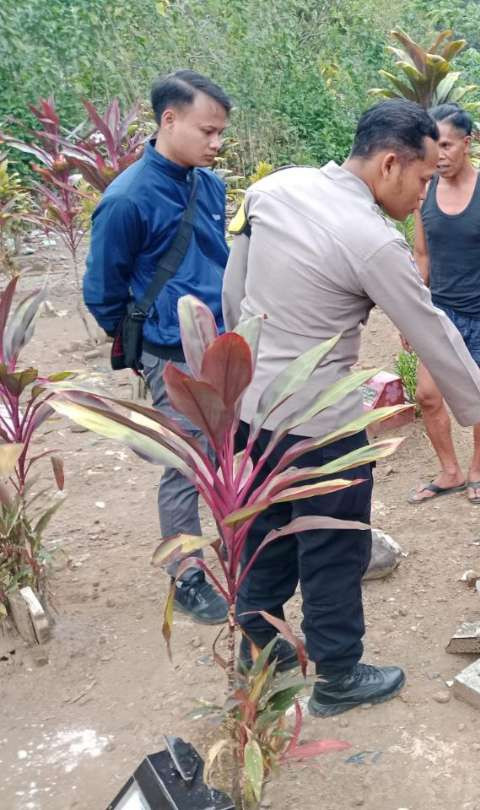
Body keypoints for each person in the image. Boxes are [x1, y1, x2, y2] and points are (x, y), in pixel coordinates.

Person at [221, 99, 480, 718]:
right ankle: (338, 677)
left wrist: (244, 380)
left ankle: (257, 655)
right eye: (425, 177)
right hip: (322, 423)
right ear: (389, 164)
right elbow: (429, 328)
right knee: (333, 546)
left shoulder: (272, 189)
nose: (426, 193)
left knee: (266, 535)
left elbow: (232, 293)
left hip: (251, 412)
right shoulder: (373, 239)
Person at [84, 70, 231, 624]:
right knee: (184, 462)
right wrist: (142, 350)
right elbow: (102, 291)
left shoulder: (208, 185)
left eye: (220, 133)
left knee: (225, 448)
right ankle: (187, 575)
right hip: (169, 352)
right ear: (169, 120)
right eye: (207, 131)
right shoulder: (126, 199)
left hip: (220, 346)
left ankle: (232, 538)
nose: (216, 143)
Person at [407, 103, 480, 506]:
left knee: (478, 401)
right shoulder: (423, 192)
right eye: (434, 146)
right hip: (437, 314)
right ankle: (449, 471)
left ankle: (476, 470)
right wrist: (410, 315)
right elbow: (422, 256)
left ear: (467, 144)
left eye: (448, 145)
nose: (440, 155)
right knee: (428, 396)